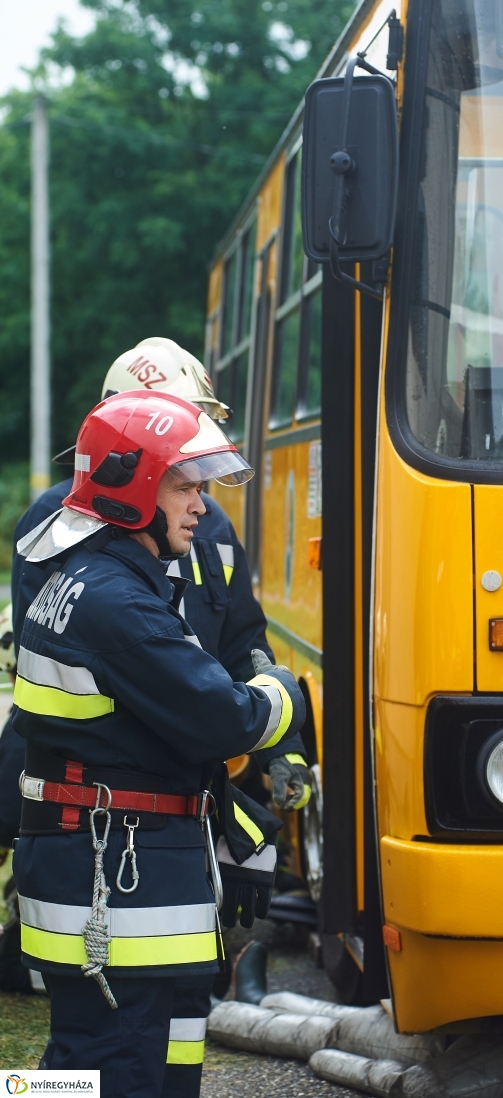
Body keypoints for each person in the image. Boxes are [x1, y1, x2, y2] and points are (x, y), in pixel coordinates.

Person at [0, 340, 311, 1096]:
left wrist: (274, 754)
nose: (203, 503)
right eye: (186, 482)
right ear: (136, 480)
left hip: (139, 852)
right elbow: (222, 716)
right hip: (119, 865)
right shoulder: (115, 597)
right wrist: (287, 698)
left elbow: (235, 635)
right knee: (108, 1070)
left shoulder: (95, 570)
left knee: (132, 1061)